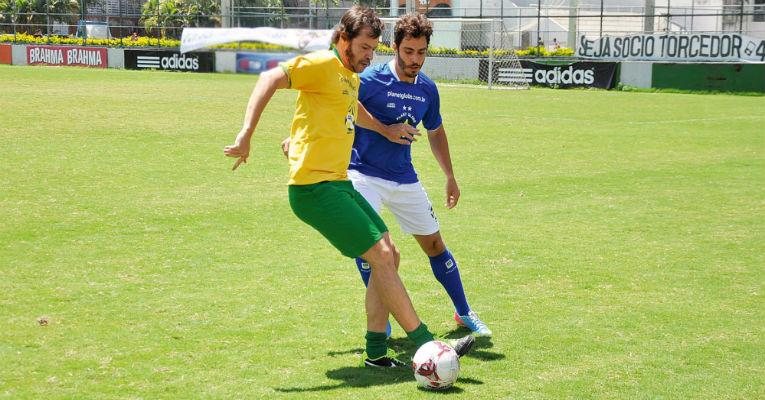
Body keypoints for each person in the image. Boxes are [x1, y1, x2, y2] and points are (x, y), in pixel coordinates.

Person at [223, 6, 474, 368]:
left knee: (390, 254)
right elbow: (269, 78)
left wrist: (295, 138)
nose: (369, 56)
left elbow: (334, 113)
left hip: (338, 184)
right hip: (315, 189)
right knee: (383, 256)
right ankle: (428, 346)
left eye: (373, 49)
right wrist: (247, 134)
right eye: (364, 48)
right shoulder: (322, 64)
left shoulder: (349, 74)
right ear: (343, 39)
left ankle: (375, 353)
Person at [282, 13, 492, 337]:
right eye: (408, 51)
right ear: (394, 47)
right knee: (373, 248)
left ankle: (464, 312)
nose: (415, 59)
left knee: (435, 244)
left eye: (421, 52)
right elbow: (332, 103)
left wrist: (450, 175)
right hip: (362, 173)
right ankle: (383, 322)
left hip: (404, 176)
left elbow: (435, 132)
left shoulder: (427, 90)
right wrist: (298, 139)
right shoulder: (370, 79)